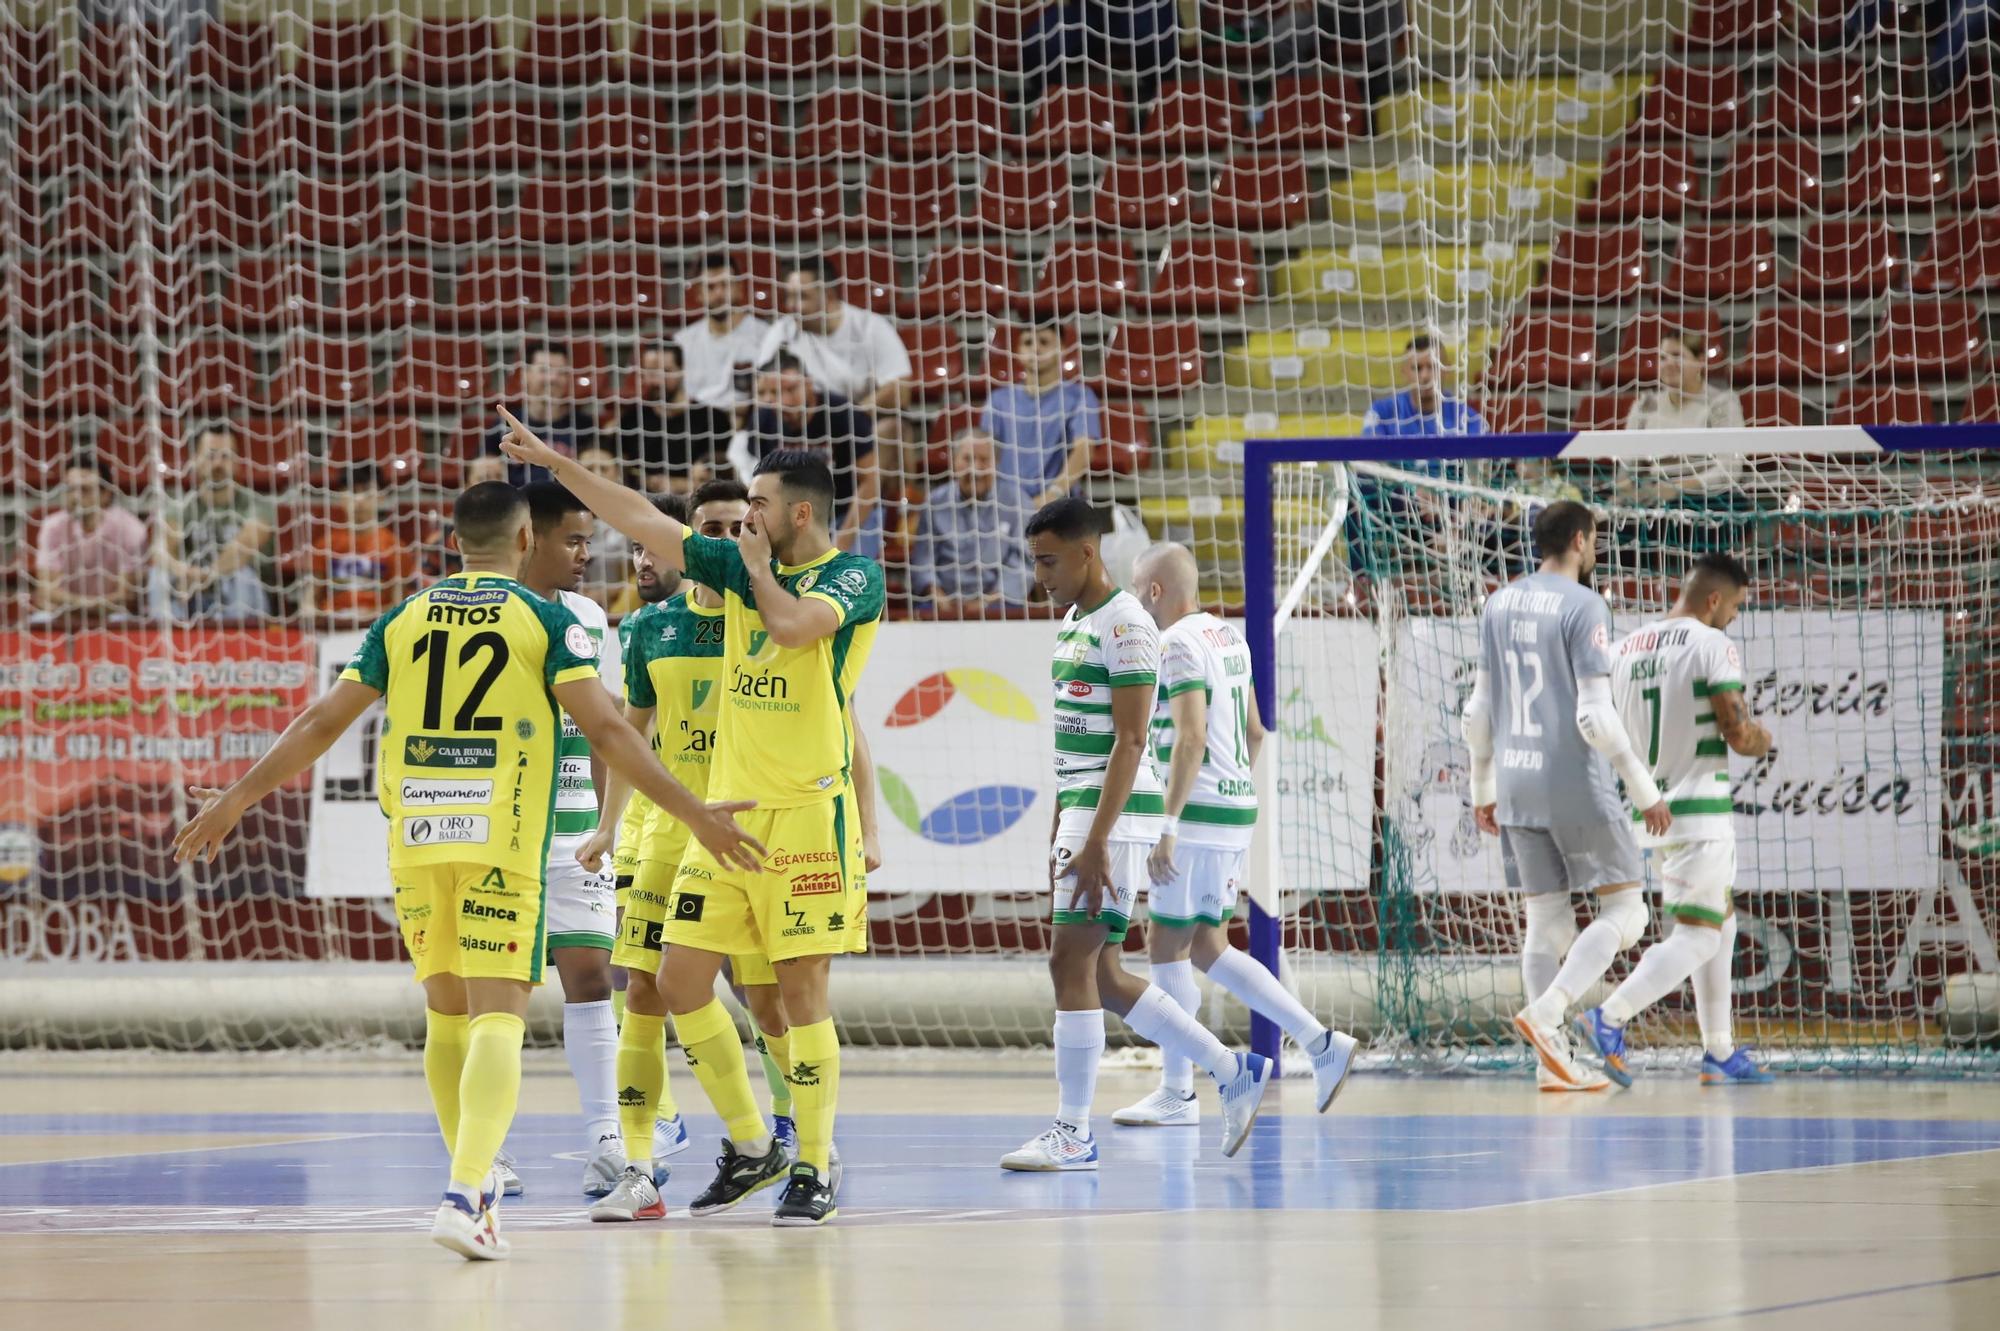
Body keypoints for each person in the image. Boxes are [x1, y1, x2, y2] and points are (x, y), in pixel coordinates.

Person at [171, 479, 765, 1261]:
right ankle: (466, 1190)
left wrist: (236, 799)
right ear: (526, 541)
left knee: (445, 1016)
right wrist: (692, 809)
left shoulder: (403, 615)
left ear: (456, 542)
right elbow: (612, 733)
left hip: (417, 838)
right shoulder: (548, 617)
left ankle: (476, 1186)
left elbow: (322, 721)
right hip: (503, 838)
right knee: (497, 1017)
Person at [500, 415, 884, 1228]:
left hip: (811, 817)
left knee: (800, 994)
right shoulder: (735, 573)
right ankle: (752, 1143)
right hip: (729, 818)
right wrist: (552, 461)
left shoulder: (853, 580)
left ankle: (814, 1163)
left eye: (759, 504)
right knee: (672, 981)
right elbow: (640, 517)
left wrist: (749, 568)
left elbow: (791, 626)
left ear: (800, 515)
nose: (747, 517)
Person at [1002, 497, 1271, 1172]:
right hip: (1086, 810)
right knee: (1105, 971)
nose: (1040, 575)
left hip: (1113, 818)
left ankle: (1073, 1131)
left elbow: (1128, 740)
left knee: (1071, 963)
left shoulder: (1125, 624)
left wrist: (1094, 839)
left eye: (1049, 560)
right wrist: (1062, 825)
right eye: (1035, 560)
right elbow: (1075, 743)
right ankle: (1228, 1067)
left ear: (1088, 554)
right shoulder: (1071, 619)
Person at [1113, 542, 1360, 1128]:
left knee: (1167, 946)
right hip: (1233, 807)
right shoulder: (1228, 636)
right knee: (1208, 945)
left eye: (1135, 591)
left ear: (1153, 593)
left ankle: (1179, 1093)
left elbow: (1193, 737)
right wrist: (1229, 788)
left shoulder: (1172, 644)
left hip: (1195, 815)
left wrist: (1169, 824)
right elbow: (1254, 732)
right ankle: (1320, 1041)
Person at [1460, 500, 1671, 1091]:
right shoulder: (1585, 604)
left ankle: (1548, 1064)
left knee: (1546, 922)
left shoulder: (1496, 602)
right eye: (1595, 538)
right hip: (1572, 778)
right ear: (1580, 540)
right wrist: (1645, 789)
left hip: (1515, 780)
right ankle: (1550, 1014)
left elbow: (1476, 713)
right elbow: (1595, 717)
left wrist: (1483, 785)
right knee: (1628, 910)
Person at [1564, 553, 1776, 1086]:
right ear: (1713, 599)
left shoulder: (1627, 647)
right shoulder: (1712, 645)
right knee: (1699, 935)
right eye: (1734, 606)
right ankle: (1607, 1018)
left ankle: (1718, 1050)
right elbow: (1736, 728)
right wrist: (1763, 740)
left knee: (1719, 923)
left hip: (1652, 809)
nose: (1733, 617)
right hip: (1701, 810)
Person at [485, 483, 628, 1200]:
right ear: (528, 538)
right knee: (500, 996)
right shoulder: (484, 613)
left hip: (576, 831)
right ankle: (488, 1148)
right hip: (500, 835)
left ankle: (607, 1140)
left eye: (588, 539)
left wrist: (611, 823)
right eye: (573, 539)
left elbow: (604, 729)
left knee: (594, 979)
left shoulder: (590, 616)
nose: (585, 553)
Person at [767, 257, 915, 487]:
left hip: (857, 426)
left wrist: (849, 418)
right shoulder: (782, 332)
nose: (791, 306)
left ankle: (886, 515)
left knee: (892, 429)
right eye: (789, 297)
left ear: (827, 295)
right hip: (798, 428)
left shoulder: (869, 327)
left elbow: (900, 389)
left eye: (801, 297)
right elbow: (761, 386)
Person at [737, 353, 881, 556]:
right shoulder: (762, 420)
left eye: (790, 389)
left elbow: (870, 482)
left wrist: (841, 542)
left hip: (846, 512)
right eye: (771, 392)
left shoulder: (842, 414)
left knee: (849, 572)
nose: (782, 400)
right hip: (790, 516)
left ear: (809, 384)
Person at [149, 425, 274, 623]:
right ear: (195, 461)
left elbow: (245, 545)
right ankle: (165, 639)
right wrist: (182, 572)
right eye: (210, 456)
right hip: (189, 592)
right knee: (159, 574)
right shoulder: (182, 506)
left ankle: (238, 644)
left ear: (238, 463)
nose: (218, 464)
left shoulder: (256, 504)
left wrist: (208, 575)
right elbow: (161, 548)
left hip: (241, 594)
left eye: (226, 456)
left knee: (242, 574)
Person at [907, 428, 1034, 617]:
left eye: (983, 460)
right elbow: (923, 562)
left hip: (1000, 602)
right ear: (953, 462)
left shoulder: (1018, 501)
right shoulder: (934, 502)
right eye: (967, 459)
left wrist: (988, 601)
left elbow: (1024, 563)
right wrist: (938, 596)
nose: (975, 469)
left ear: (996, 463)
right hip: (942, 603)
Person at [982, 322, 1103, 510]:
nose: (1035, 348)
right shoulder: (998, 399)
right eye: (1028, 342)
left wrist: (1052, 495)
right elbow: (986, 452)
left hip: (1061, 504)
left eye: (1044, 342)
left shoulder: (1080, 396)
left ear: (1061, 349)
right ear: (1018, 351)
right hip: (1006, 505)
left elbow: (1084, 450)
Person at [1620, 332, 1748, 503]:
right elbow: (1627, 467)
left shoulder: (1721, 403)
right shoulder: (1645, 405)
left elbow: (1730, 469)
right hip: (1655, 498)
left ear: (1700, 361)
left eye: (1678, 356)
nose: (1669, 363)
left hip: (1708, 501)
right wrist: (1624, 489)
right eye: (1663, 358)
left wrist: (1679, 488)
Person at [300, 465, 420, 627]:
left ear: (381, 496)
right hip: (333, 627)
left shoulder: (395, 547)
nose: (359, 499)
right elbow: (310, 599)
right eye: (353, 491)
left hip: (375, 628)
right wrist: (313, 613)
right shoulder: (326, 544)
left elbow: (398, 605)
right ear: (341, 497)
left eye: (366, 491)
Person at [31, 460, 148, 625]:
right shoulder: (51, 527)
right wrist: (92, 605)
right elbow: (46, 591)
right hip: (63, 616)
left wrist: (73, 603)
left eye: (84, 490)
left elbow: (127, 597)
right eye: (70, 489)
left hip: (114, 618)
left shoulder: (131, 529)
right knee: (39, 621)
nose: (75, 497)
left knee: (123, 620)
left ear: (106, 494)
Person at [611, 342, 734, 493]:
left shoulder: (713, 420)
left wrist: (676, 484)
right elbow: (618, 470)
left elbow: (721, 478)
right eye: (651, 373)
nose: (657, 380)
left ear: (682, 370)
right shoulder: (632, 420)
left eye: (666, 371)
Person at [481, 343, 598, 486]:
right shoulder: (504, 425)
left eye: (561, 372)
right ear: (525, 375)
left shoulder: (584, 425)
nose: (553, 378)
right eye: (544, 370)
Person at [676, 253, 772, 411]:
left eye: (725, 284)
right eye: (711, 287)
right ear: (699, 293)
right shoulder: (682, 342)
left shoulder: (766, 337)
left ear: (739, 288)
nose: (719, 294)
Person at [1360, 334, 1486, 452]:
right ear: (1404, 372)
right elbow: (1370, 461)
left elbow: (1481, 469)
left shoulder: (1469, 419)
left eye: (1432, 367)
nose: (1425, 376)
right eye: (1417, 368)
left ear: (1446, 369)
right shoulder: (1381, 413)